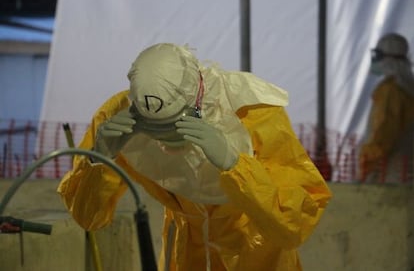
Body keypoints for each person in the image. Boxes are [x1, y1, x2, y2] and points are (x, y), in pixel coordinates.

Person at [58, 43, 332, 270]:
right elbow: (88, 217)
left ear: (198, 99)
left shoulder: (253, 113)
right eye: (155, 129)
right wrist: (98, 160)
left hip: (258, 254)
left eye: (174, 124)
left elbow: (296, 225)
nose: (166, 139)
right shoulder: (116, 120)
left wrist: (236, 165)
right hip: (186, 252)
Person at [359, 33, 414, 183]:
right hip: (407, 172)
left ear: (388, 57)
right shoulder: (408, 87)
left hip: (390, 174)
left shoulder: (391, 90)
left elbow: (382, 134)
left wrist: (365, 167)